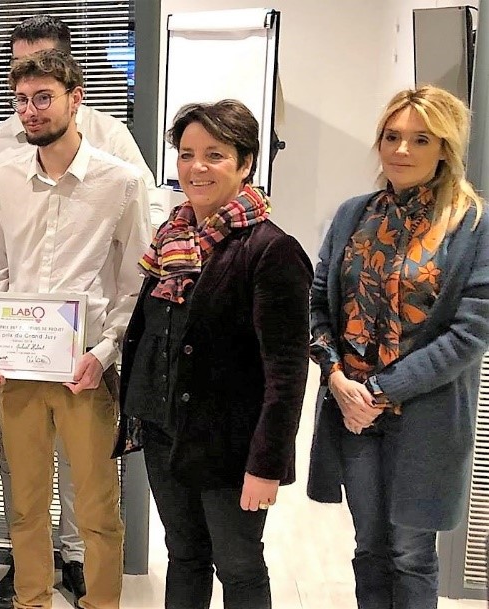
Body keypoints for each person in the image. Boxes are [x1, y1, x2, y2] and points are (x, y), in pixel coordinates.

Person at [0, 17, 159, 607]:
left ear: (77, 99)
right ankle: (33, 600)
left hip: (88, 369)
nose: (30, 111)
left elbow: (139, 285)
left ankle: (100, 602)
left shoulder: (121, 182)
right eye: (21, 99)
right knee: (24, 507)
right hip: (19, 373)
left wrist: (105, 353)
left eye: (43, 99)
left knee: (98, 511)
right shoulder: (3, 178)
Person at [120, 100, 311, 609]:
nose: (196, 167)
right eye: (186, 154)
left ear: (246, 162)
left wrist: (266, 465)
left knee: (240, 567)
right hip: (166, 432)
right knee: (183, 555)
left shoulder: (271, 250)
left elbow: (287, 376)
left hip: (230, 445)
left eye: (215, 154)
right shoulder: (171, 239)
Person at [307, 85, 489, 609]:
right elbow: (319, 304)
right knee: (369, 546)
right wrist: (338, 378)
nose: (401, 150)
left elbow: (470, 333)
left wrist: (381, 390)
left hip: (423, 416)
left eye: (420, 139)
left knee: (411, 553)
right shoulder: (353, 215)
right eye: (392, 137)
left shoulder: (471, 225)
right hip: (353, 411)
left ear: (445, 150)